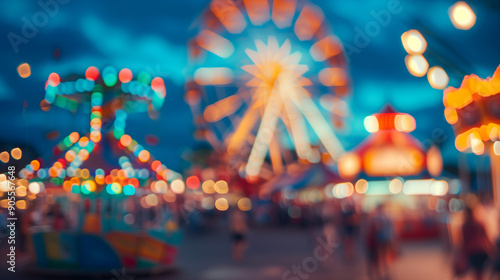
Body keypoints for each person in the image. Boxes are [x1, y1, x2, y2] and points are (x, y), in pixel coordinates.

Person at [461, 206, 495, 280]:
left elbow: (464, 242)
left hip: (471, 251)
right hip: (481, 250)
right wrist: (492, 249)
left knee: (476, 273)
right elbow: (486, 238)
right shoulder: (479, 224)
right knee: (481, 272)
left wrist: (462, 254)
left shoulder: (464, 226)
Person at [365, 204, 395, 280]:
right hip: (387, 238)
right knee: (385, 256)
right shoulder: (388, 216)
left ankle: (380, 273)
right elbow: (392, 229)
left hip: (378, 239)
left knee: (378, 257)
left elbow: (376, 228)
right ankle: (386, 272)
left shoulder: (376, 217)